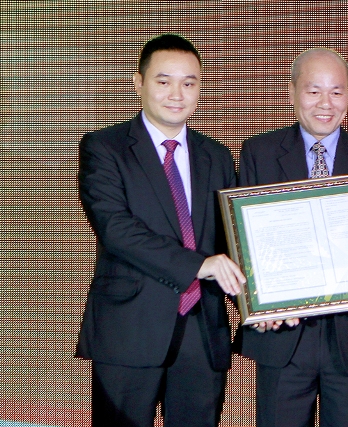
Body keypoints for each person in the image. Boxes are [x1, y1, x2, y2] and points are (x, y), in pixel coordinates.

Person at [75, 33, 246, 427]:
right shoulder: (105, 147)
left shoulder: (217, 156)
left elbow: (234, 242)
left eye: (189, 83)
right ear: (139, 83)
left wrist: (263, 304)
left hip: (202, 332)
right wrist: (198, 265)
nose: (177, 94)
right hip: (129, 329)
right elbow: (116, 229)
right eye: (164, 81)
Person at [236, 47, 348, 427]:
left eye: (337, 92)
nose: (326, 103)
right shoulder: (259, 152)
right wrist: (255, 302)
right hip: (283, 336)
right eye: (314, 91)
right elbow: (242, 244)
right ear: (292, 93)